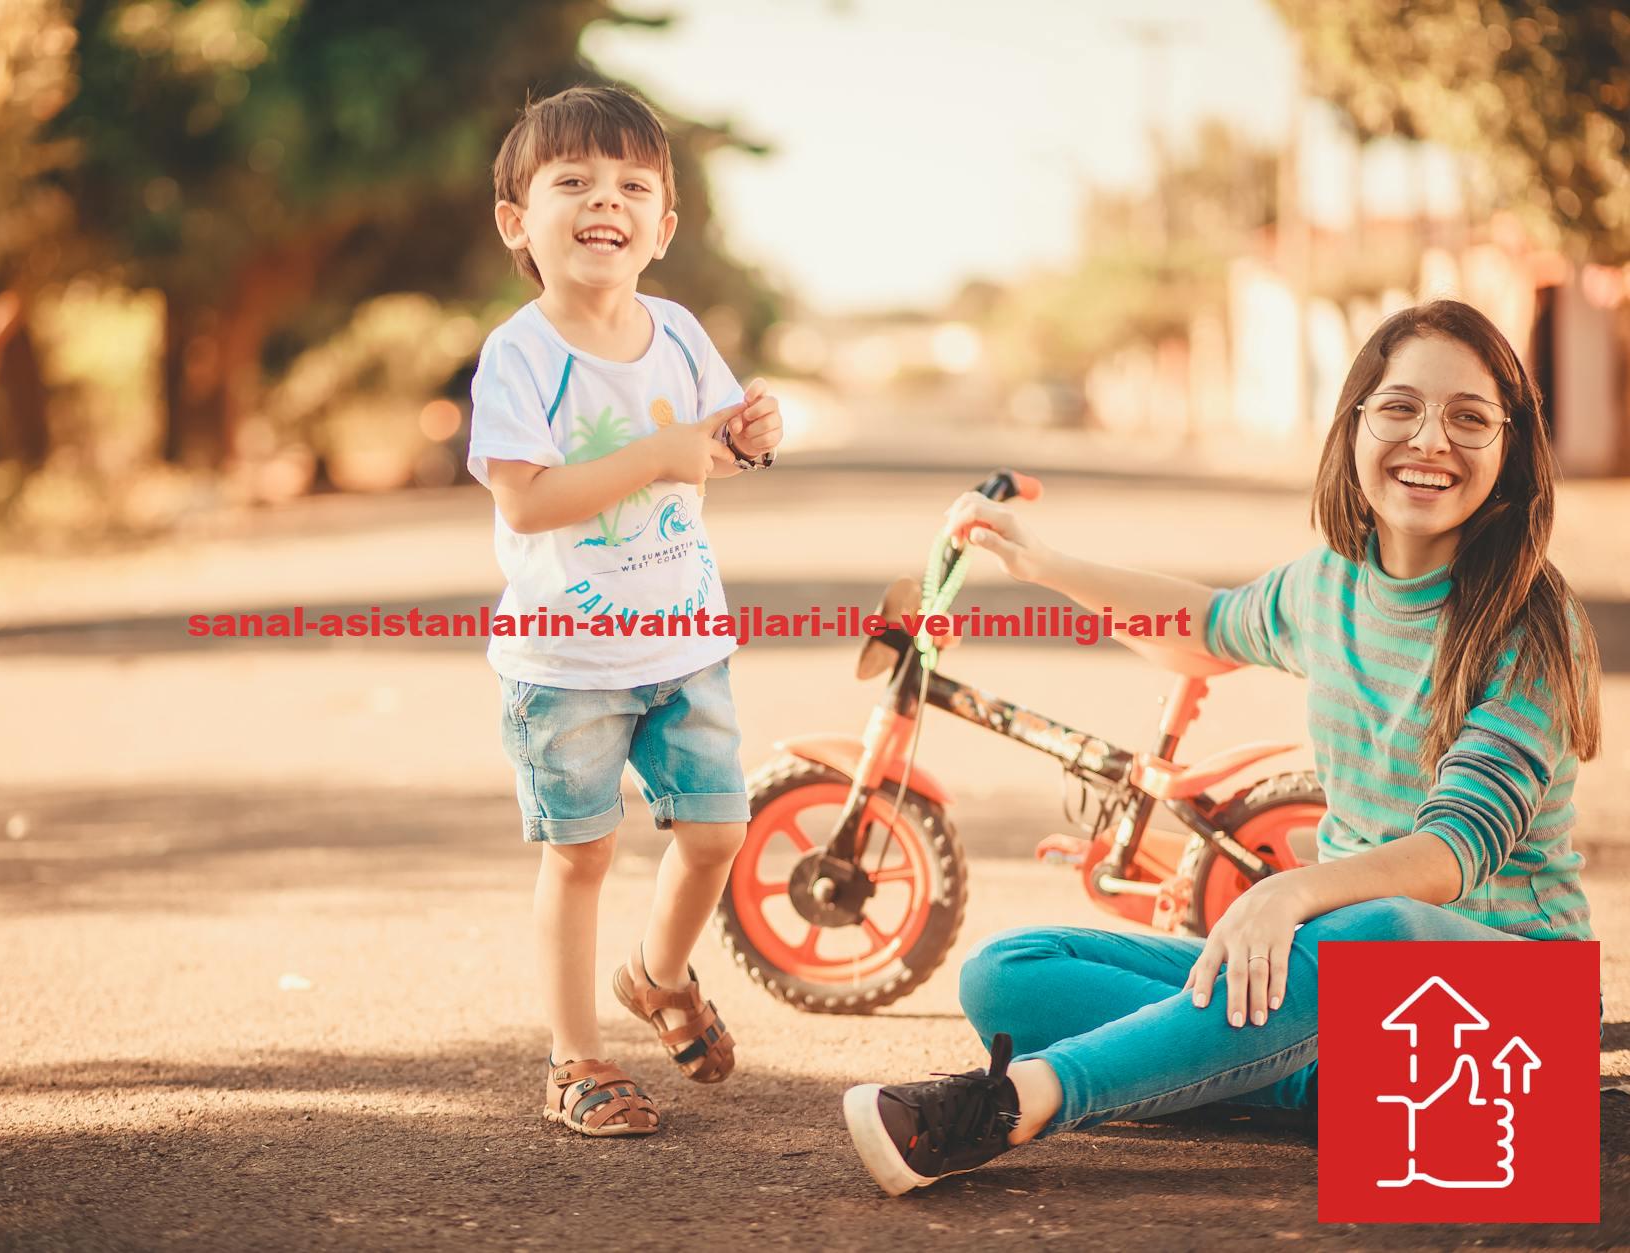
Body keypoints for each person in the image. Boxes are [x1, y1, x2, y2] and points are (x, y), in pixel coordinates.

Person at [841, 299, 1602, 1195]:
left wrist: (1289, 893)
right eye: (1400, 406)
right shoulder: (1331, 584)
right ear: (1353, 424)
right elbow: (1201, 626)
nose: (1430, 438)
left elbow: (1446, 857)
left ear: (1510, 452)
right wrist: (1040, 562)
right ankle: (1322, 1080)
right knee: (1008, 975)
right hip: (1345, 991)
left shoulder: (1533, 625)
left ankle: (1020, 1102)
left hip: (1510, 1013)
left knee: (1374, 931)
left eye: (1469, 417)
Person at [467, 85, 783, 1137]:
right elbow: (526, 496)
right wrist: (655, 450)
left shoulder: (680, 332)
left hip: (685, 643)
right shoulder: (520, 353)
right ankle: (575, 1060)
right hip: (566, 659)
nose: (605, 201)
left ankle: (655, 974)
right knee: (581, 852)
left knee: (716, 831)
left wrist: (744, 437)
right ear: (518, 221)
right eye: (573, 183)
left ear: (662, 225)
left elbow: (714, 459)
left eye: (630, 186)